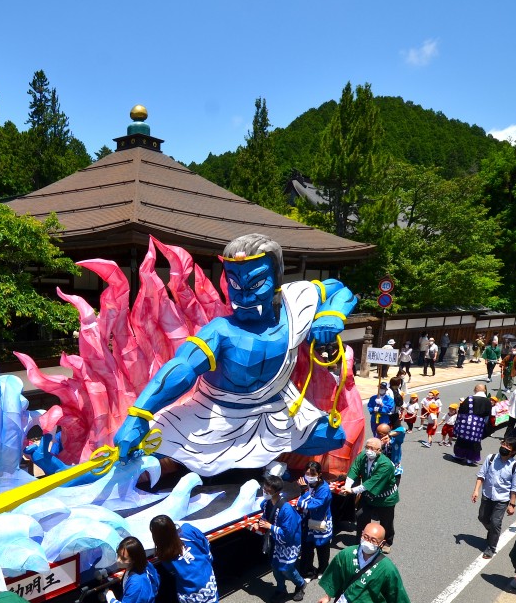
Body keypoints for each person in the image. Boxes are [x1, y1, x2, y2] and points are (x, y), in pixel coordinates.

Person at [112, 234, 356, 473]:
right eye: (235, 284)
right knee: (135, 448)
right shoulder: (221, 330)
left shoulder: (296, 304)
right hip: (212, 417)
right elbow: (183, 365)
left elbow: (339, 290)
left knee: (332, 437)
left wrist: (331, 315)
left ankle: (262, 463)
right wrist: (139, 414)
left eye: (257, 283)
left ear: (276, 279)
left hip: (276, 411)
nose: (243, 295)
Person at [150, 515, 223, 603]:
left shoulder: (164, 553)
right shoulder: (188, 530)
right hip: (206, 575)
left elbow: (173, 572)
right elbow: (205, 543)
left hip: (192, 589)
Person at [339, 439, 400, 551]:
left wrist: (352, 491)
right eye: (367, 447)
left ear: (379, 450)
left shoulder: (385, 464)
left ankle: (386, 541)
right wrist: (347, 485)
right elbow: (354, 469)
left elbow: (372, 482)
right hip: (368, 495)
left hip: (385, 497)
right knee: (361, 515)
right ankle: (361, 540)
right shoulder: (363, 456)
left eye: (372, 448)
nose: (368, 450)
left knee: (386, 521)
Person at [255, 475, 306, 601]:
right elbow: (265, 517)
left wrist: (270, 526)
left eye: (268, 490)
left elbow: (288, 533)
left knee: (287, 568)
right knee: (275, 566)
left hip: (288, 543)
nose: (265, 492)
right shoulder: (267, 503)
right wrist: (260, 523)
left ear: (276, 491)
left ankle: (300, 584)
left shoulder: (286, 509)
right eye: (264, 488)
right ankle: (281, 589)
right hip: (275, 540)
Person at [471, 437, 516, 559]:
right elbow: (481, 475)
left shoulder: (515, 467)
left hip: (502, 500)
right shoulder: (491, 458)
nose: (504, 447)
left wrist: (512, 504)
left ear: (513, 452)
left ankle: (491, 547)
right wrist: (476, 490)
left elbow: (515, 487)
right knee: (482, 517)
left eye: (508, 446)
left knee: (495, 522)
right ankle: (493, 531)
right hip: (487, 495)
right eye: (503, 444)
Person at [295, 461, 333, 580]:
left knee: (322, 547)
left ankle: (323, 569)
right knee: (307, 547)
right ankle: (308, 571)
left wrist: (304, 493)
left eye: (312, 474)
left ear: (319, 474)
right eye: (307, 474)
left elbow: (315, 504)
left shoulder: (324, 489)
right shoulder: (307, 483)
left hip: (320, 521)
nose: (309, 477)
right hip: (308, 520)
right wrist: (304, 492)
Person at [452, 383, 493, 465]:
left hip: (465, 423)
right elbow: (488, 415)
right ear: (484, 390)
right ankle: (471, 458)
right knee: (475, 441)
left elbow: (461, 410)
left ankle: (459, 455)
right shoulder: (487, 402)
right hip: (479, 425)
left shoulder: (469, 399)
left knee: (462, 439)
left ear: (475, 389)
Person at [377, 421, 406, 490]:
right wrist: (380, 445)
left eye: (381, 434)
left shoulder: (396, 441)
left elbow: (403, 430)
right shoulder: (378, 442)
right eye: (378, 434)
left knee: (393, 489)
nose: (379, 436)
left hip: (395, 470)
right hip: (382, 469)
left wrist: (389, 435)